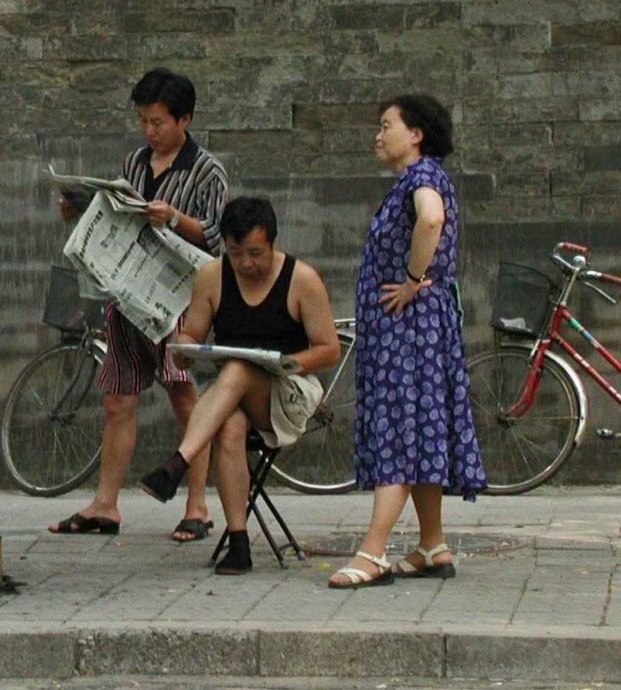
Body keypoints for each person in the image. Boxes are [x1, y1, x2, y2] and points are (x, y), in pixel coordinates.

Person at [49, 68, 229, 544]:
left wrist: (174, 218)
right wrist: (79, 209)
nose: (150, 131)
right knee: (118, 400)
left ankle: (197, 505)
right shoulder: (135, 162)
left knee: (184, 397)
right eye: (144, 121)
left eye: (159, 122)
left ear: (184, 120)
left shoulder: (207, 170)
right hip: (129, 296)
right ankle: (106, 504)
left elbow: (216, 236)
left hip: (179, 300)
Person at [328, 94, 487, 589]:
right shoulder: (421, 178)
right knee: (419, 429)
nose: (378, 135)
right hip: (415, 327)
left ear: (416, 135)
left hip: (409, 330)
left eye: (386, 125)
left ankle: (373, 552)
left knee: (397, 431)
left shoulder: (422, 178)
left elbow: (431, 218)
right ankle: (432, 544)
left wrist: (413, 280)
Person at [136, 197, 341, 574]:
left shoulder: (301, 280)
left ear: (273, 243)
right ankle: (239, 541)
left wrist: (283, 363)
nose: (246, 263)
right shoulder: (212, 277)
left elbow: (329, 349)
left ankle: (179, 462)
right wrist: (184, 350)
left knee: (239, 370)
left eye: (255, 253)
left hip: (288, 391)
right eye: (235, 253)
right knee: (229, 426)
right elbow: (192, 336)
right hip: (232, 399)